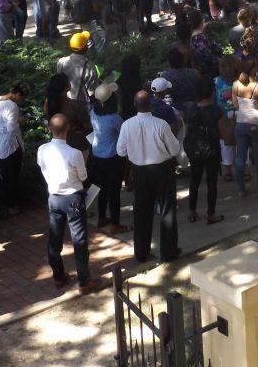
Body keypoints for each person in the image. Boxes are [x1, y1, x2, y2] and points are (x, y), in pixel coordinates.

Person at [116, 91, 184, 263]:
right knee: (167, 209)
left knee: (141, 212)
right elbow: (175, 149)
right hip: (162, 169)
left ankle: (141, 253)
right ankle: (168, 251)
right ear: (151, 104)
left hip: (140, 171)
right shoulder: (160, 124)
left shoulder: (127, 125)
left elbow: (120, 150)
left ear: (134, 104)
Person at [37, 113, 102, 292]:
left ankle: (59, 276)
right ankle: (84, 280)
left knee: (54, 238)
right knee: (79, 239)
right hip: (73, 197)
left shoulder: (42, 149)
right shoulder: (74, 153)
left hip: (54, 198)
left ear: (50, 128)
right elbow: (83, 176)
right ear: (68, 128)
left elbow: (41, 168)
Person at [89, 84, 130, 233]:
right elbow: (124, 133)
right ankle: (115, 223)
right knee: (114, 191)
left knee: (103, 187)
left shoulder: (93, 112)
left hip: (97, 154)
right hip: (113, 157)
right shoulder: (114, 118)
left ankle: (101, 217)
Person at [186, 80, 224, 223]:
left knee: (194, 180)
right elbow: (223, 132)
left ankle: (192, 211)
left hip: (194, 149)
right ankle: (211, 214)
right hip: (211, 150)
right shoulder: (216, 110)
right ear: (211, 93)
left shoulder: (191, 109)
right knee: (211, 182)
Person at [231, 59, 258, 198]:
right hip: (256, 123)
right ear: (253, 69)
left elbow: (236, 105)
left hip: (241, 123)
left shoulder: (235, 85)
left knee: (240, 158)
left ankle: (241, 190)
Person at [0, 83, 28, 214]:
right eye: (21, 98)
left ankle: (3, 203)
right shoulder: (12, 106)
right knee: (13, 176)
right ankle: (11, 205)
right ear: (17, 94)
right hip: (11, 146)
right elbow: (11, 129)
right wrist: (20, 121)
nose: (20, 100)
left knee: (4, 174)